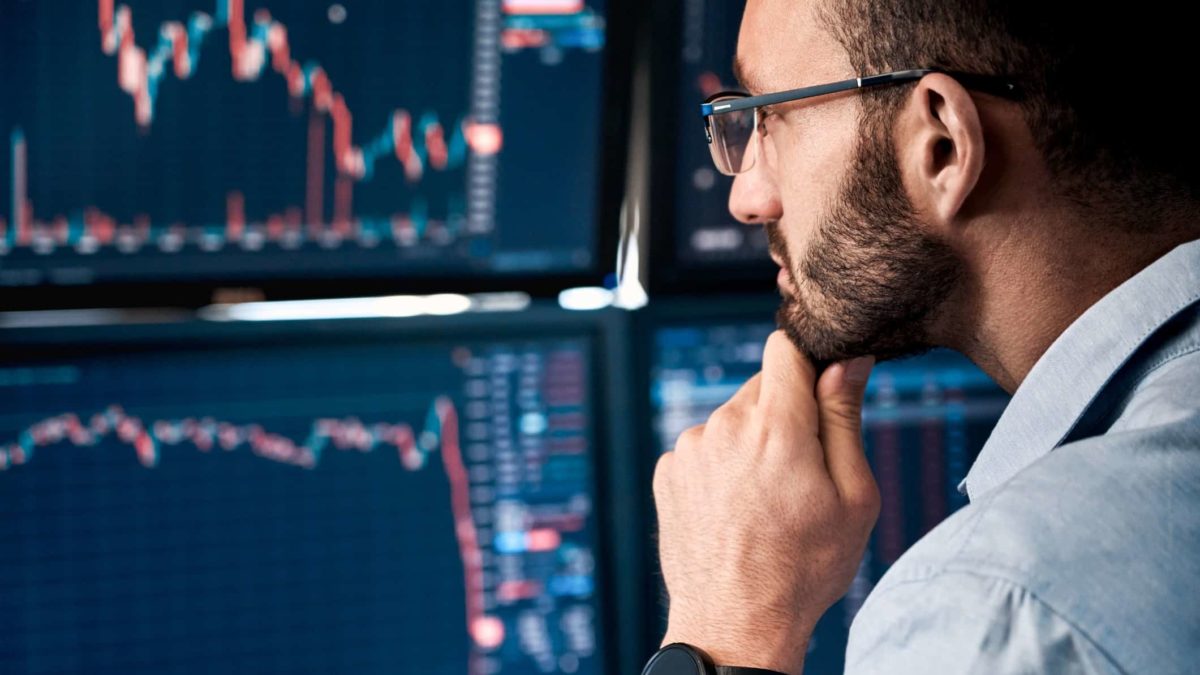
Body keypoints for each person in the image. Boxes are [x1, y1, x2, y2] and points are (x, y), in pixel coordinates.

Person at [643, 1, 1200, 673]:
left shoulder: (995, 612)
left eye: (768, 115)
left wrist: (728, 637)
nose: (748, 199)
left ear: (942, 145)